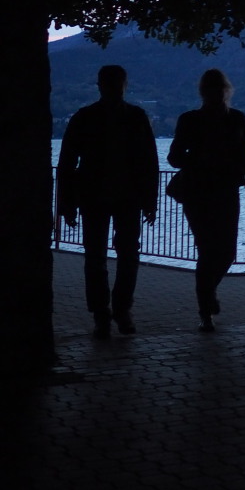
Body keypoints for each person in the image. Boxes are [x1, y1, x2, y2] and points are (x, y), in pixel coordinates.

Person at [56, 64, 160, 338]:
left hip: (95, 196)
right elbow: (149, 162)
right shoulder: (136, 117)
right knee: (126, 254)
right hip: (126, 197)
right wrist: (150, 199)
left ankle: (103, 314)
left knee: (96, 256)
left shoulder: (84, 117)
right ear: (124, 84)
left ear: (99, 84)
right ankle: (120, 310)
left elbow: (67, 162)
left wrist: (66, 202)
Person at [167, 68, 245, 331]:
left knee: (223, 253)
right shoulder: (205, 120)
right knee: (212, 251)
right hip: (203, 193)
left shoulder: (232, 119)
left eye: (218, 89)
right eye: (213, 89)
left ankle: (207, 297)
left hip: (216, 192)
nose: (216, 93)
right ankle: (205, 310)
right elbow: (174, 157)